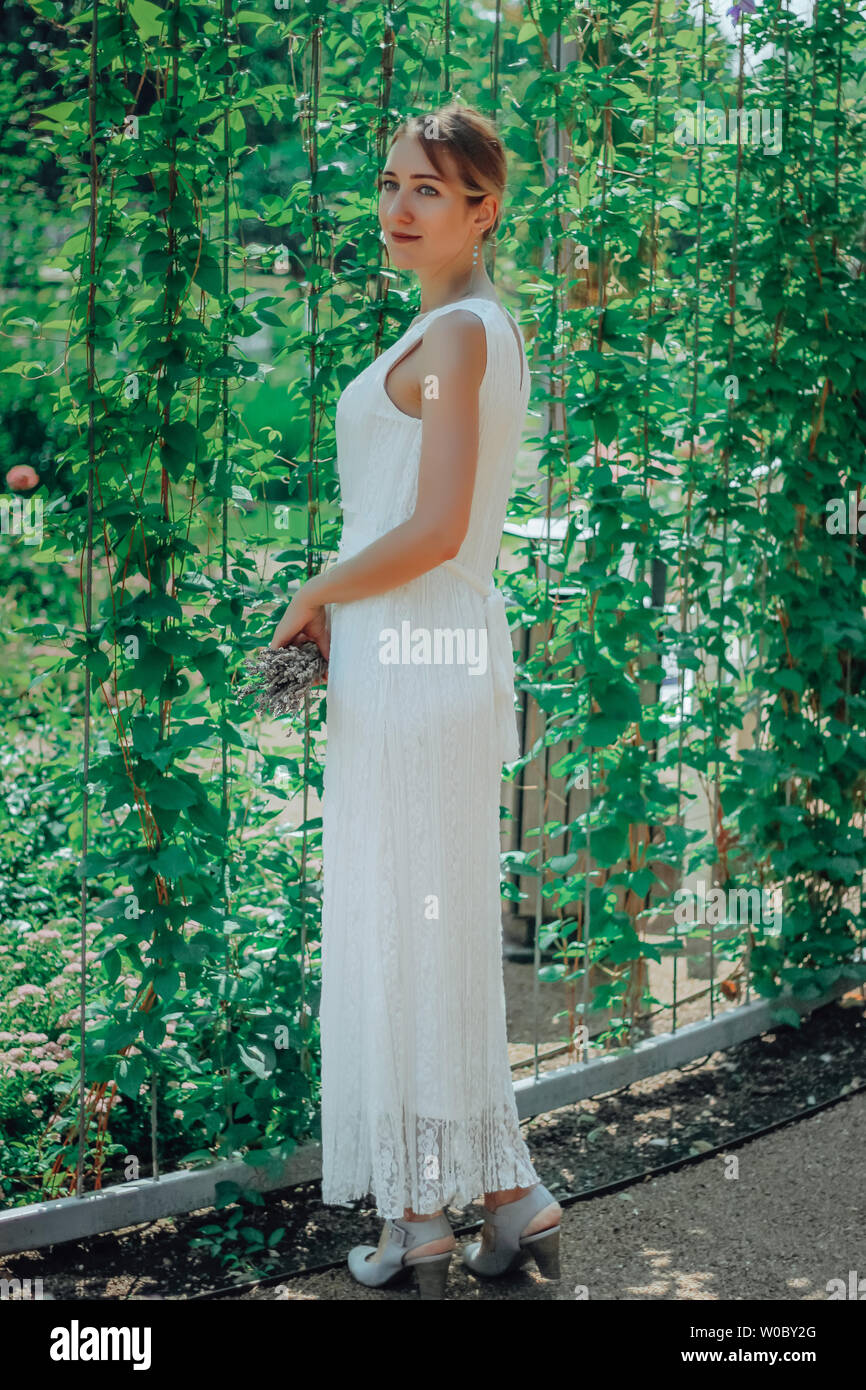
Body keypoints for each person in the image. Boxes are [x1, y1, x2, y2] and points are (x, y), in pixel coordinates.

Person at [270, 103, 562, 1299]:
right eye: (390, 184)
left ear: (483, 207)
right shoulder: (463, 329)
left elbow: (437, 528)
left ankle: (415, 1228)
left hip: (415, 658)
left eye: (428, 190)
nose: (396, 207)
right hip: (419, 655)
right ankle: (501, 1201)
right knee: (421, 939)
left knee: (397, 938)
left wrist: (313, 588)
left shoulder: (453, 341)